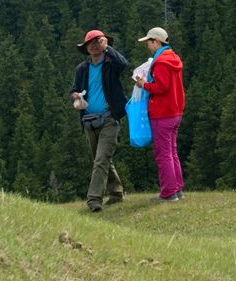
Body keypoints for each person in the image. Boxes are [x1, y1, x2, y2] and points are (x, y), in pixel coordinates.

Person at [70, 29, 129, 212]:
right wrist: (75, 97)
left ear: (104, 44)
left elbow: (124, 64)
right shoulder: (82, 69)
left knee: (101, 159)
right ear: (86, 48)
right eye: (91, 43)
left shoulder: (111, 64)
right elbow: (73, 90)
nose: (95, 45)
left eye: (98, 41)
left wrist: (108, 48)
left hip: (109, 118)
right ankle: (117, 192)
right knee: (102, 159)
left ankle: (93, 199)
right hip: (88, 120)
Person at [134, 26, 185, 202]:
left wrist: (144, 85)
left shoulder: (161, 61)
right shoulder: (174, 58)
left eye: (149, 42)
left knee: (163, 154)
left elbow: (161, 87)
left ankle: (168, 193)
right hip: (175, 111)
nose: (148, 45)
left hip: (163, 113)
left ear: (156, 42)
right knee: (172, 151)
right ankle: (177, 189)